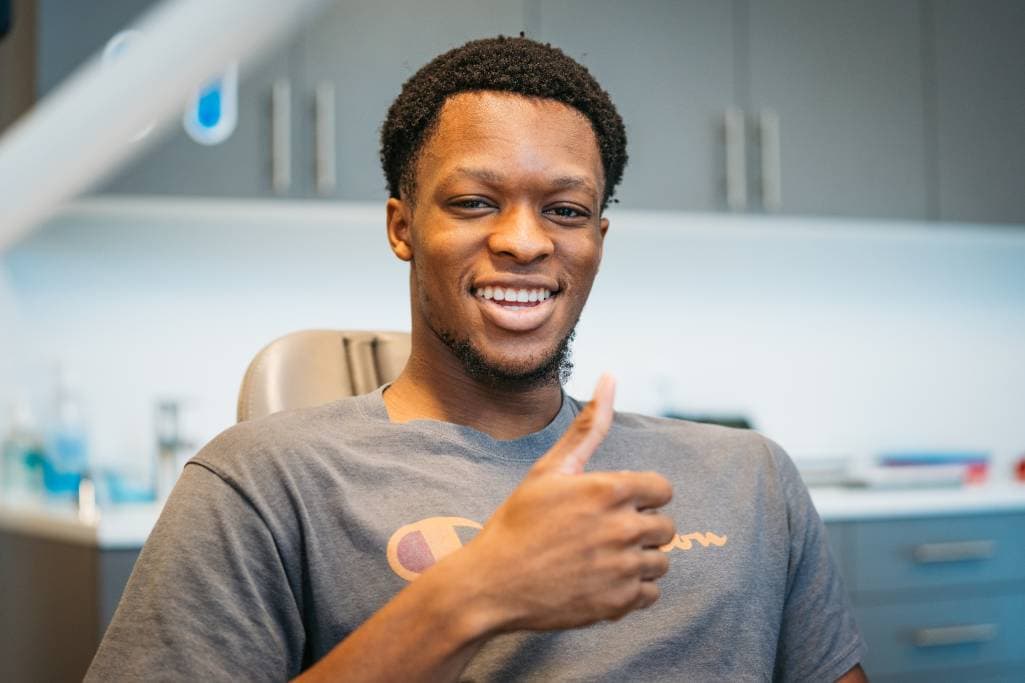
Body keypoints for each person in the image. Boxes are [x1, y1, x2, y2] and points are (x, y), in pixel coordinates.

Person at [87, 36, 867, 682]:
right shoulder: (264, 481)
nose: (525, 242)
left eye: (565, 210)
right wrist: (474, 593)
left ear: (597, 239)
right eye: (473, 202)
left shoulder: (751, 478)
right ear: (401, 226)